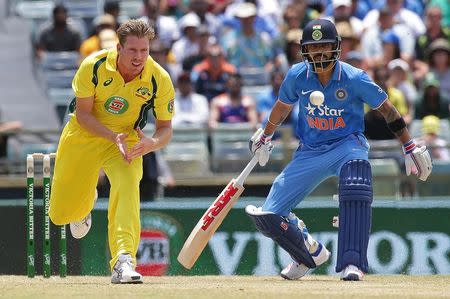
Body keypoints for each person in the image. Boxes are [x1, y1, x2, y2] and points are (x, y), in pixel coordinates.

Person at [246, 19, 432, 282]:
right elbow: (282, 106)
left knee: (356, 182)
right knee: (269, 215)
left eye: (325, 46)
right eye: (313, 47)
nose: (319, 53)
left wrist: (409, 145)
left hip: (348, 145)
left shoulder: (355, 78)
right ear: (304, 50)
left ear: (336, 47)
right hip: (310, 150)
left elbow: (387, 110)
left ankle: (352, 263)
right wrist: (265, 134)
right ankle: (307, 253)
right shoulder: (297, 75)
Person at [48, 20, 175, 284]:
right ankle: (85, 202)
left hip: (127, 140)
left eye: (144, 50)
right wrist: (109, 135)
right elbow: (82, 115)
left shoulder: (159, 78)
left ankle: (123, 260)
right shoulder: (93, 65)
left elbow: (165, 129)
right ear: (119, 47)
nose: (139, 57)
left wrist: (152, 143)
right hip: (84, 135)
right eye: (133, 50)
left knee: (129, 187)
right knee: (60, 214)